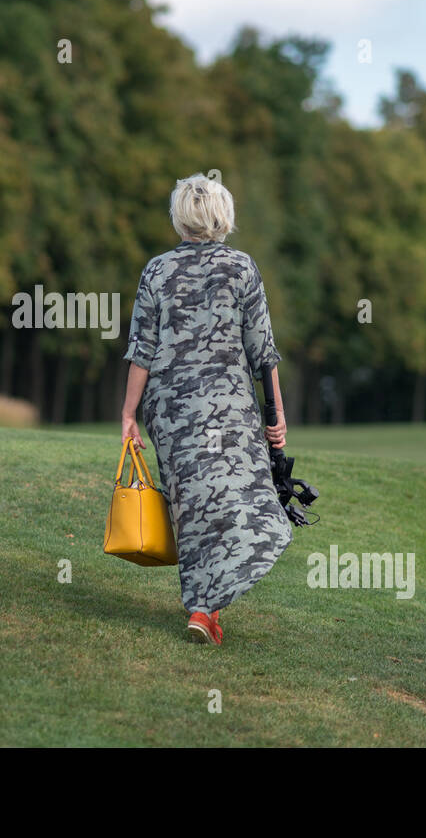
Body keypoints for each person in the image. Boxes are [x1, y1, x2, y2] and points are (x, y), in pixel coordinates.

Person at [120, 174, 290, 647]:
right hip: (230, 411)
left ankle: (203, 607)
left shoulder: (157, 271)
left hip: (172, 414)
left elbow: (142, 350)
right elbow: (263, 352)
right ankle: (207, 608)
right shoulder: (241, 268)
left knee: (191, 506)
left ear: (180, 216)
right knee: (239, 502)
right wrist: (275, 414)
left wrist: (129, 414)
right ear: (223, 215)